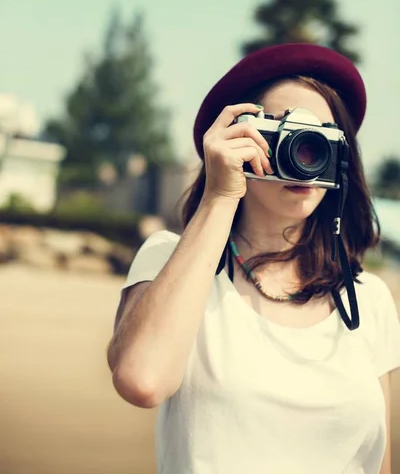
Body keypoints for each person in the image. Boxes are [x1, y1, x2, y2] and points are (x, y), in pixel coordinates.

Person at [107, 43, 400, 474]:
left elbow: (381, 462)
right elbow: (142, 380)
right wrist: (221, 195)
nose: (306, 154)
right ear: (237, 141)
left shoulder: (368, 299)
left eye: (320, 137)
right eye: (284, 134)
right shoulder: (172, 260)